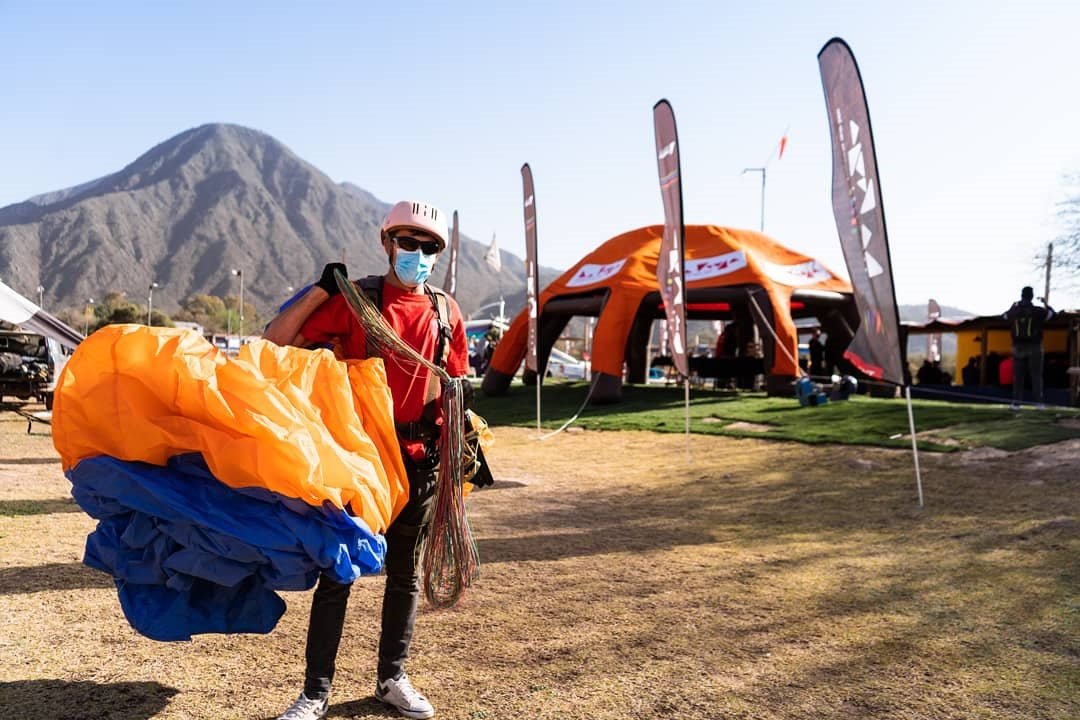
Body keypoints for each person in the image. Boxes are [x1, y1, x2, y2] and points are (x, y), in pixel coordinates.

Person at [263, 200, 469, 720]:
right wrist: (320, 291)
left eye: (428, 247)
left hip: (421, 463)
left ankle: (391, 679)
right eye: (408, 243)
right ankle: (315, 693)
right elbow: (275, 342)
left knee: (404, 575)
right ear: (386, 243)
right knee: (339, 572)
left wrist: (458, 452)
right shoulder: (357, 301)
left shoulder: (447, 312)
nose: (418, 254)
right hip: (361, 462)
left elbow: (455, 385)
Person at [1003, 286, 1055, 409]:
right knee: (1036, 376)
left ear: (1021, 295)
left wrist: (1012, 307)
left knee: (1018, 377)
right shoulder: (1037, 311)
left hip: (1017, 347)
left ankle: (1016, 403)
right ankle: (1039, 403)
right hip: (1035, 347)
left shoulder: (1014, 311)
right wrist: (1045, 303)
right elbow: (1052, 315)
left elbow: (1004, 317)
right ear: (1032, 296)